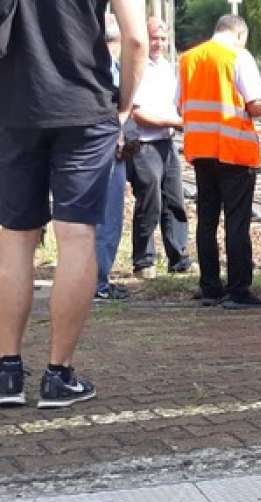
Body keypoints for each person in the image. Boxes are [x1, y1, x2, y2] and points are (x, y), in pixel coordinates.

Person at [0, 0, 146, 408]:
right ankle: (58, 376)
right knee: (77, 235)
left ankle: (6, 373)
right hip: (83, 107)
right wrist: (124, 107)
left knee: (13, 240)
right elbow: (135, 39)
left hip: (13, 109)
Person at [178, 15, 261, 309]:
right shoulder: (239, 56)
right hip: (232, 150)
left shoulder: (188, 59)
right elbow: (255, 104)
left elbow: (179, 104)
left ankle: (210, 287)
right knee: (236, 221)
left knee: (207, 220)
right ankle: (239, 290)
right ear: (240, 34)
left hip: (200, 150)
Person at [127, 17, 190, 280]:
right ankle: (144, 261)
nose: (159, 43)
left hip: (166, 142)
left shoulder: (168, 68)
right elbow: (137, 112)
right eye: (154, 38)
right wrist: (175, 122)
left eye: (163, 38)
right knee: (149, 201)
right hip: (143, 144)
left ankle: (179, 258)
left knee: (175, 200)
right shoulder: (136, 67)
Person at [95, 13, 131, 301]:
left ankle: (95, 281)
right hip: (106, 149)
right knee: (106, 218)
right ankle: (98, 283)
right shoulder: (112, 69)